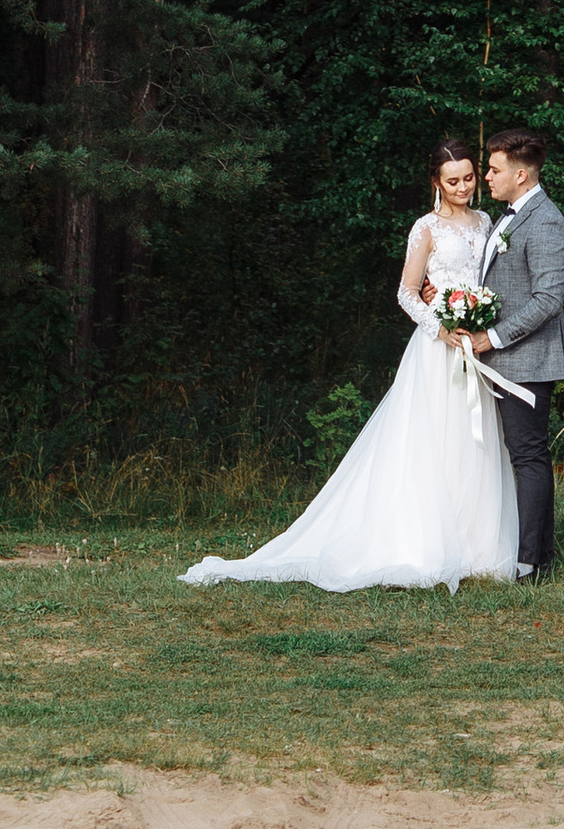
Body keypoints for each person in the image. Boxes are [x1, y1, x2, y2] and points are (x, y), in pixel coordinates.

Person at [179, 137, 518, 592]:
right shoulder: (426, 228)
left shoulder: (486, 221)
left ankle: (476, 546)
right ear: (435, 181)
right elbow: (405, 291)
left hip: (474, 347)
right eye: (452, 180)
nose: (463, 187)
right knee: (431, 441)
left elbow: (489, 281)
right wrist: (440, 326)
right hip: (437, 350)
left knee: (472, 442)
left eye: (470, 178)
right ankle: (421, 541)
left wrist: (477, 316)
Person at [479, 125, 564, 582]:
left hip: (527, 363)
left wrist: (491, 337)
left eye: (494, 169)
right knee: (514, 455)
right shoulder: (511, 216)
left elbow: (547, 300)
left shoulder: (547, 221)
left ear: (520, 174)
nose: (487, 176)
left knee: (529, 457)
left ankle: (533, 563)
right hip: (503, 362)